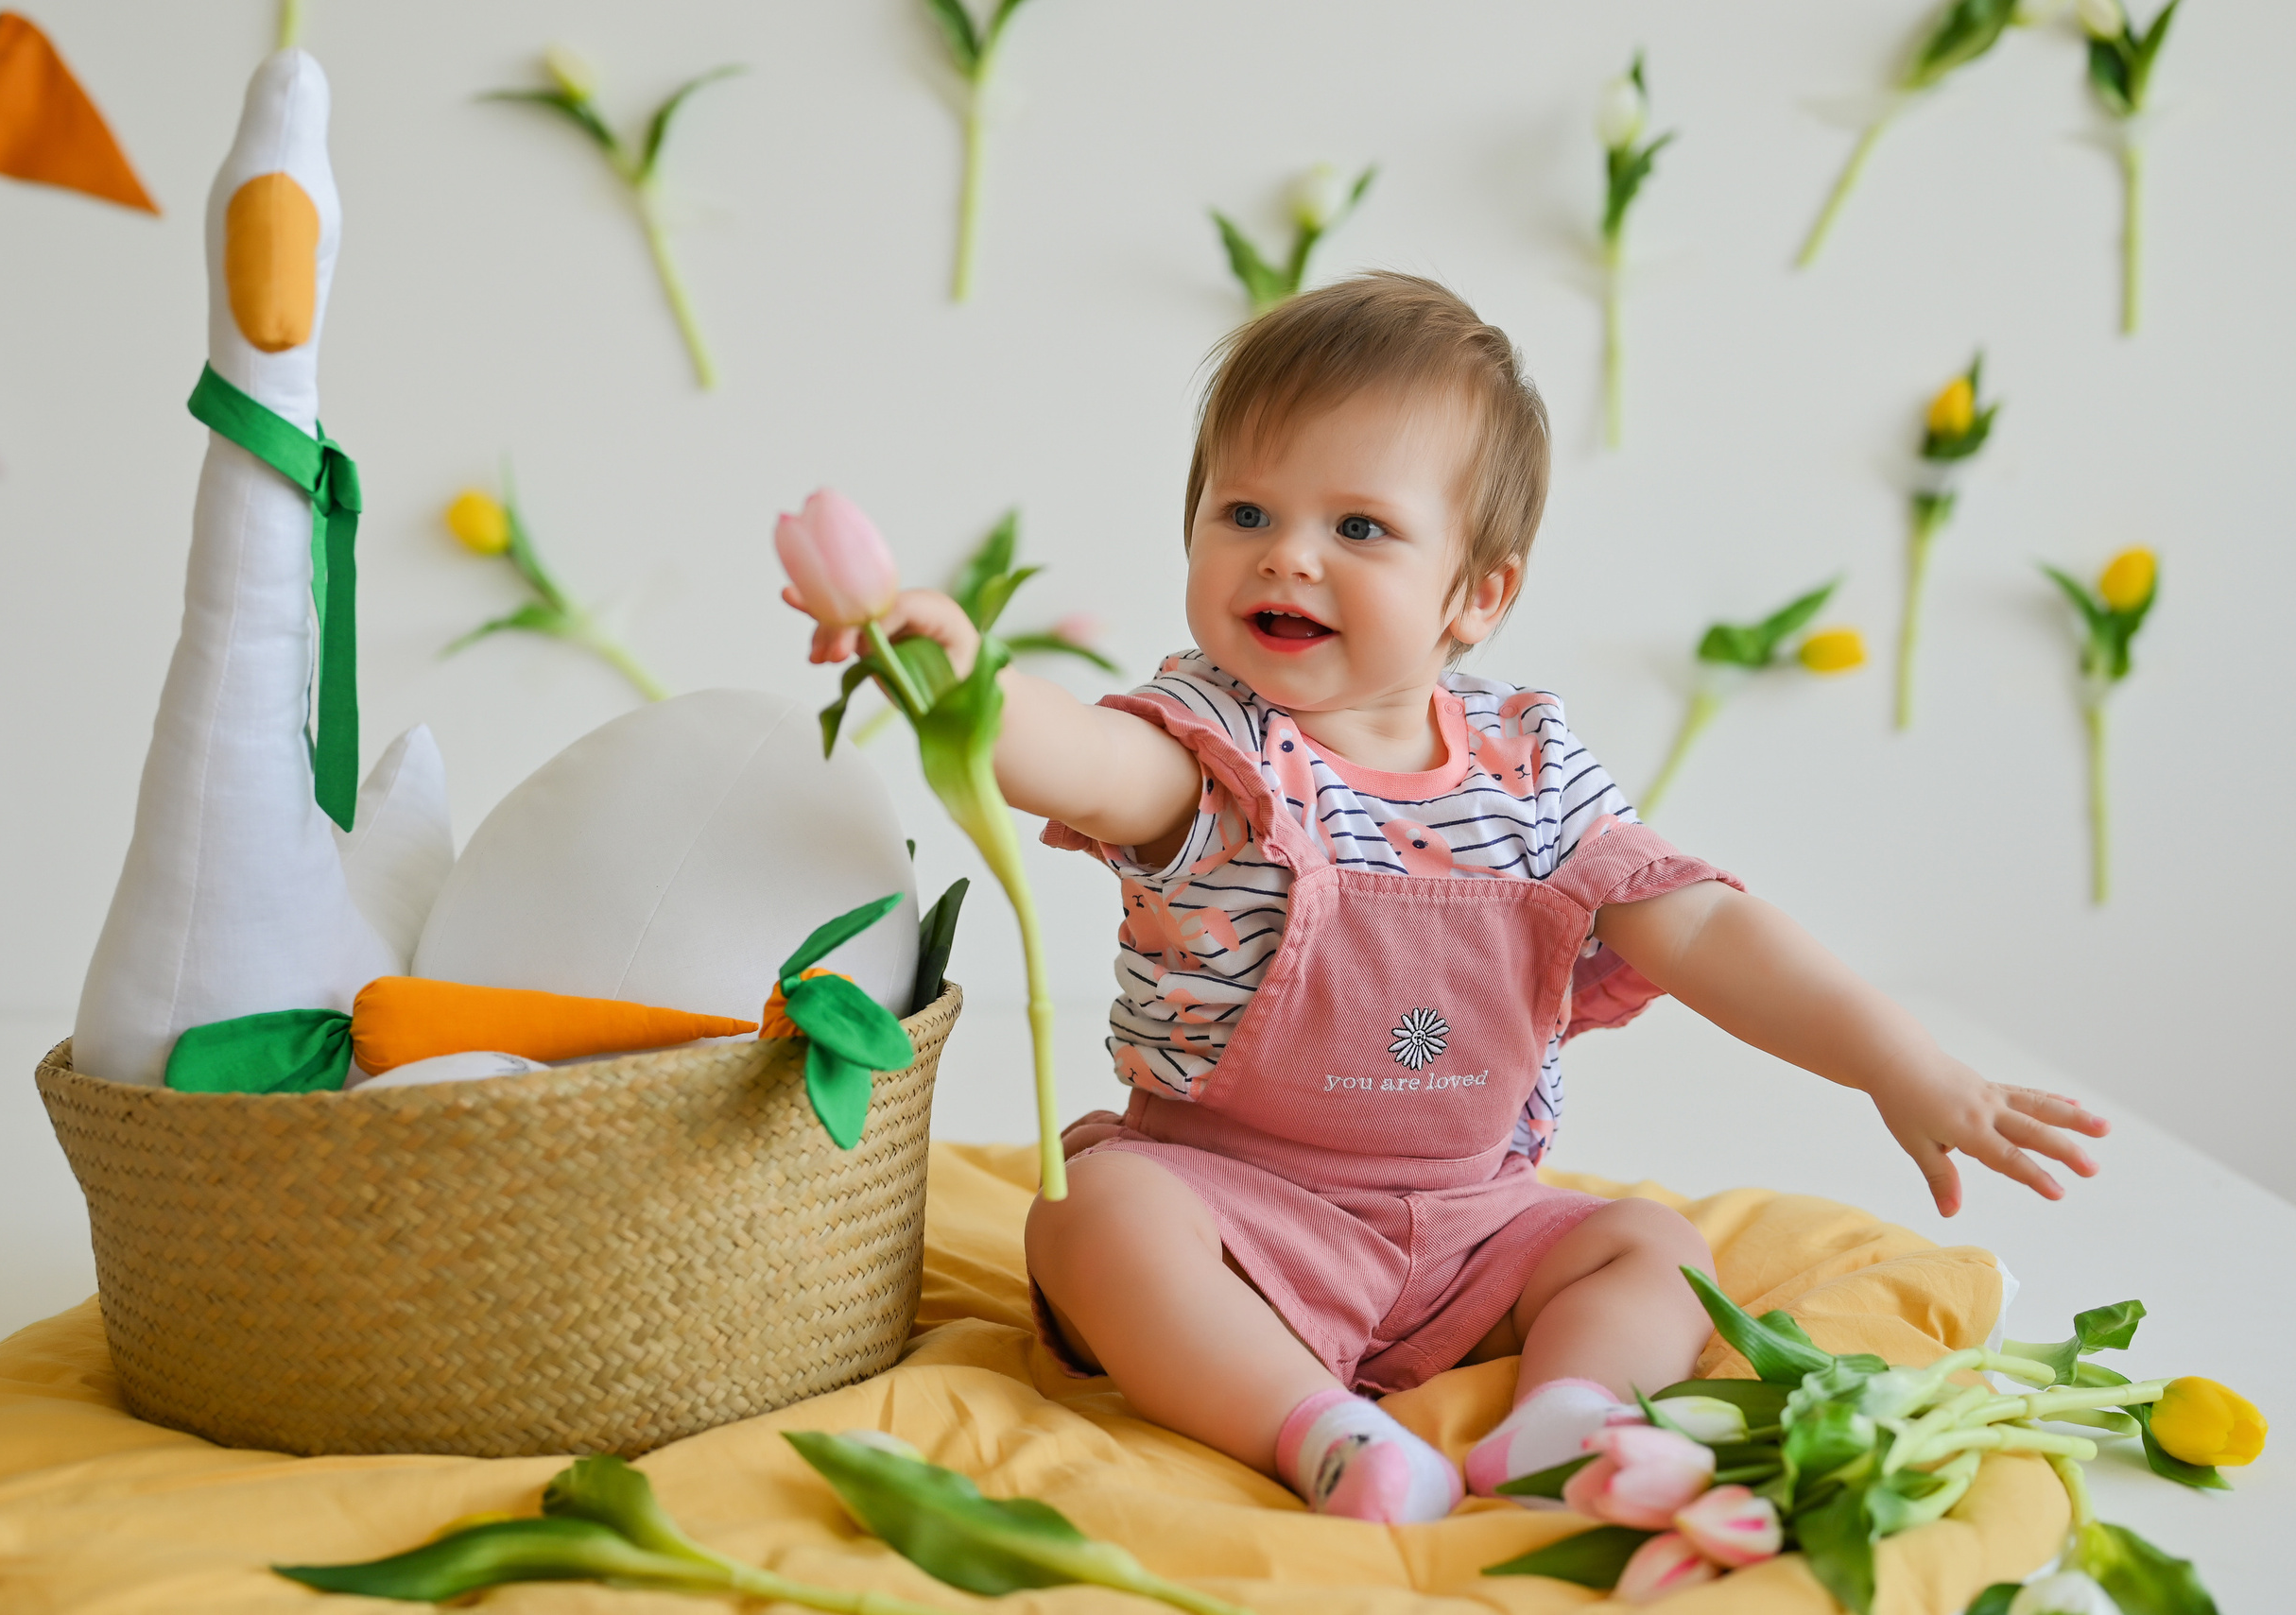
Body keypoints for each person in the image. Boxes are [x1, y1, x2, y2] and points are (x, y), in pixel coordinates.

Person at [787, 272, 2107, 1524]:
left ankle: (1570, 1422)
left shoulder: (1532, 772)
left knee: (1647, 1245)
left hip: (1478, 1221)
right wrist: (969, 684)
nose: (1287, 558)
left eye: (1357, 527)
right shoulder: (1210, 739)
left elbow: (1698, 922)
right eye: (1245, 514)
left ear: (1479, 592)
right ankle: (1318, 1433)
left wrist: (1902, 1064)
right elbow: (1084, 757)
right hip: (1241, 1212)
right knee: (1091, 1213)